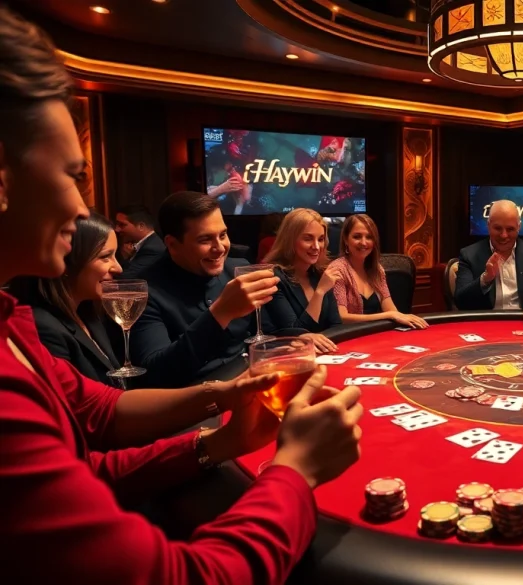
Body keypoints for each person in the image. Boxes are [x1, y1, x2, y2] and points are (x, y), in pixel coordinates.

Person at [0, 7, 363, 583]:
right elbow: (186, 576)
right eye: (72, 175)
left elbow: (100, 417)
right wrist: (293, 470)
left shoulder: (11, 322)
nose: (81, 207)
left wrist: (226, 416)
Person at [131, 191, 279, 387]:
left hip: (247, 383)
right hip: (193, 403)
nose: (220, 248)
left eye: (223, 235)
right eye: (205, 240)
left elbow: (265, 334)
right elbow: (156, 372)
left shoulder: (238, 269)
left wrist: (298, 336)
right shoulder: (143, 290)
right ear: (173, 244)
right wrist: (219, 314)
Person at [8, 212, 122, 382]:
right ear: (66, 261)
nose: (118, 268)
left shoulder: (87, 311)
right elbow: (76, 405)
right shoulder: (42, 327)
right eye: (105, 256)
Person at [454, 199, 523, 323]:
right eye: (498, 228)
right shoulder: (469, 254)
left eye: (510, 229)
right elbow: (460, 301)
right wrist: (485, 279)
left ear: (519, 227)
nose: (504, 235)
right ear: (488, 225)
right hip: (486, 325)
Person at [327, 214, 427, 328]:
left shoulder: (377, 269)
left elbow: (390, 309)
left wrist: (400, 316)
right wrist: (388, 315)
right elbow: (342, 317)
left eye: (369, 237)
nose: (364, 242)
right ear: (346, 239)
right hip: (349, 337)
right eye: (357, 236)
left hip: (376, 335)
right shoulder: (338, 270)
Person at [262, 208, 343, 350]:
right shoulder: (274, 278)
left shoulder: (319, 274)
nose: (316, 246)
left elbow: (336, 326)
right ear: (290, 240)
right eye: (308, 238)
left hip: (324, 353)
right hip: (290, 358)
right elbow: (297, 334)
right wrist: (320, 292)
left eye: (321, 239)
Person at [113, 203, 164, 279]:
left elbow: (126, 279)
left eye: (122, 225)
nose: (117, 229)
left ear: (141, 226)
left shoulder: (152, 249)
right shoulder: (146, 244)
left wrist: (126, 258)